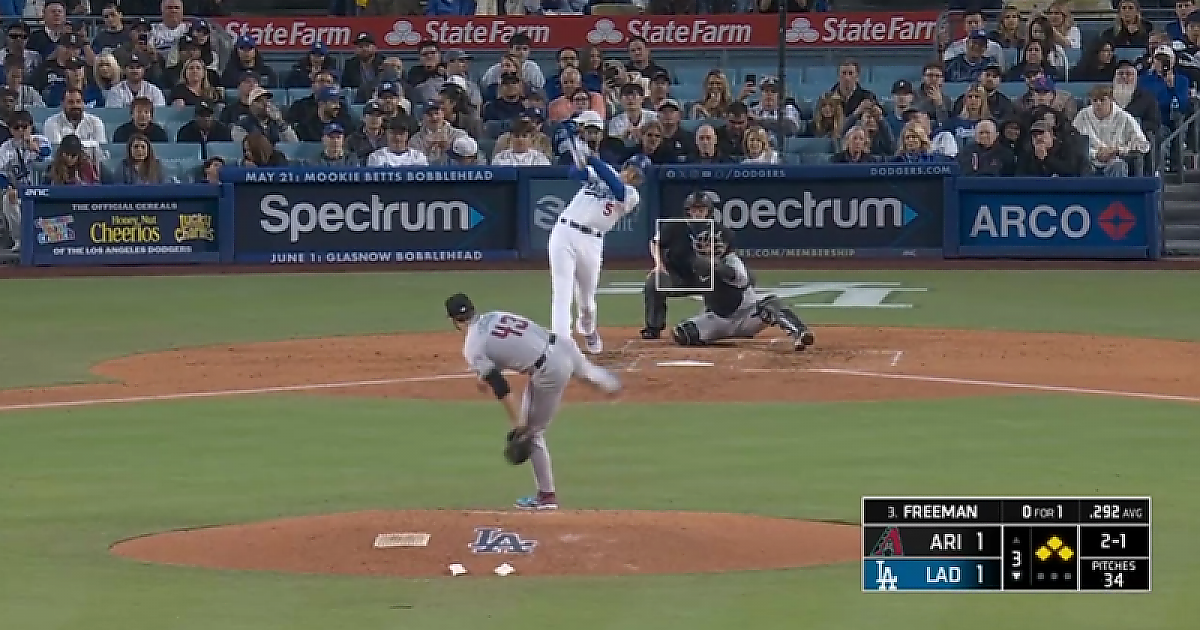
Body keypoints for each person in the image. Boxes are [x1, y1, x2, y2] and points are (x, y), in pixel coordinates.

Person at [444, 292, 620, 511]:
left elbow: (502, 388)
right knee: (586, 373)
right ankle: (614, 387)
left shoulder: (472, 346)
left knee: (532, 433)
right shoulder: (495, 315)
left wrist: (519, 425)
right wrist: (484, 378)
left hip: (550, 370)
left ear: (453, 320)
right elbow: (509, 346)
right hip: (563, 345)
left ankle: (546, 497)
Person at [548, 121, 647, 353]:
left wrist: (592, 158)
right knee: (562, 291)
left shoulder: (632, 196)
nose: (632, 175)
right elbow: (575, 173)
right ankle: (561, 341)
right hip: (564, 232)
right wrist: (579, 155)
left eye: (637, 175)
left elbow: (616, 188)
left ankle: (588, 329)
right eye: (631, 169)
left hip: (591, 242)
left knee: (586, 301)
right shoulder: (605, 171)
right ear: (625, 167)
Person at [667, 229, 814, 351]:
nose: (707, 248)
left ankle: (799, 332)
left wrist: (714, 266)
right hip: (718, 320)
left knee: (769, 303)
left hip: (748, 315)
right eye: (705, 245)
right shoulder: (696, 265)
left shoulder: (732, 261)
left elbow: (740, 278)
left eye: (711, 245)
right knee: (683, 334)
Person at [641, 191, 734, 340]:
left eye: (701, 209)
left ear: (709, 211)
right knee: (654, 281)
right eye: (694, 209)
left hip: (706, 279)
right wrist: (659, 265)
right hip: (677, 276)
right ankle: (653, 327)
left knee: (719, 276)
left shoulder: (721, 231)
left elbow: (730, 259)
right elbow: (655, 243)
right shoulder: (674, 226)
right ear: (688, 211)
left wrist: (718, 268)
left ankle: (715, 323)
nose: (697, 213)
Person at [1072, 85, 1151, 177]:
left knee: (1118, 165)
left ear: (1111, 100)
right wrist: (1095, 154)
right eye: (1095, 100)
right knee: (1084, 165)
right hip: (1090, 160)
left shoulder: (1124, 117)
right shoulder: (1082, 116)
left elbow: (1144, 145)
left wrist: (1117, 150)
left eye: (1102, 100)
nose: (1098, 104)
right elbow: (1072, 143)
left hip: (1115, 158)